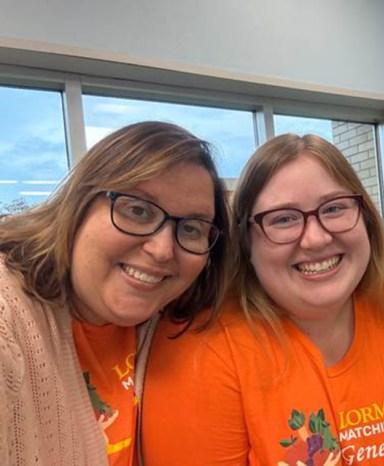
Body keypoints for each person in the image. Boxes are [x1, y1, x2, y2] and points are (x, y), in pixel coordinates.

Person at [142, 133, 384, 465]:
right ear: (245, 242)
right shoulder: (203, 351)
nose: (316, 239)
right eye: (283, 219)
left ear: (366, 217)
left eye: (334, 208)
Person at [0, 121, 229, 465]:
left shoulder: (168, 320)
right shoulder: (9, 316)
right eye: (138, 210)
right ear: (79, 204)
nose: (163, 250)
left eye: (192, 228)